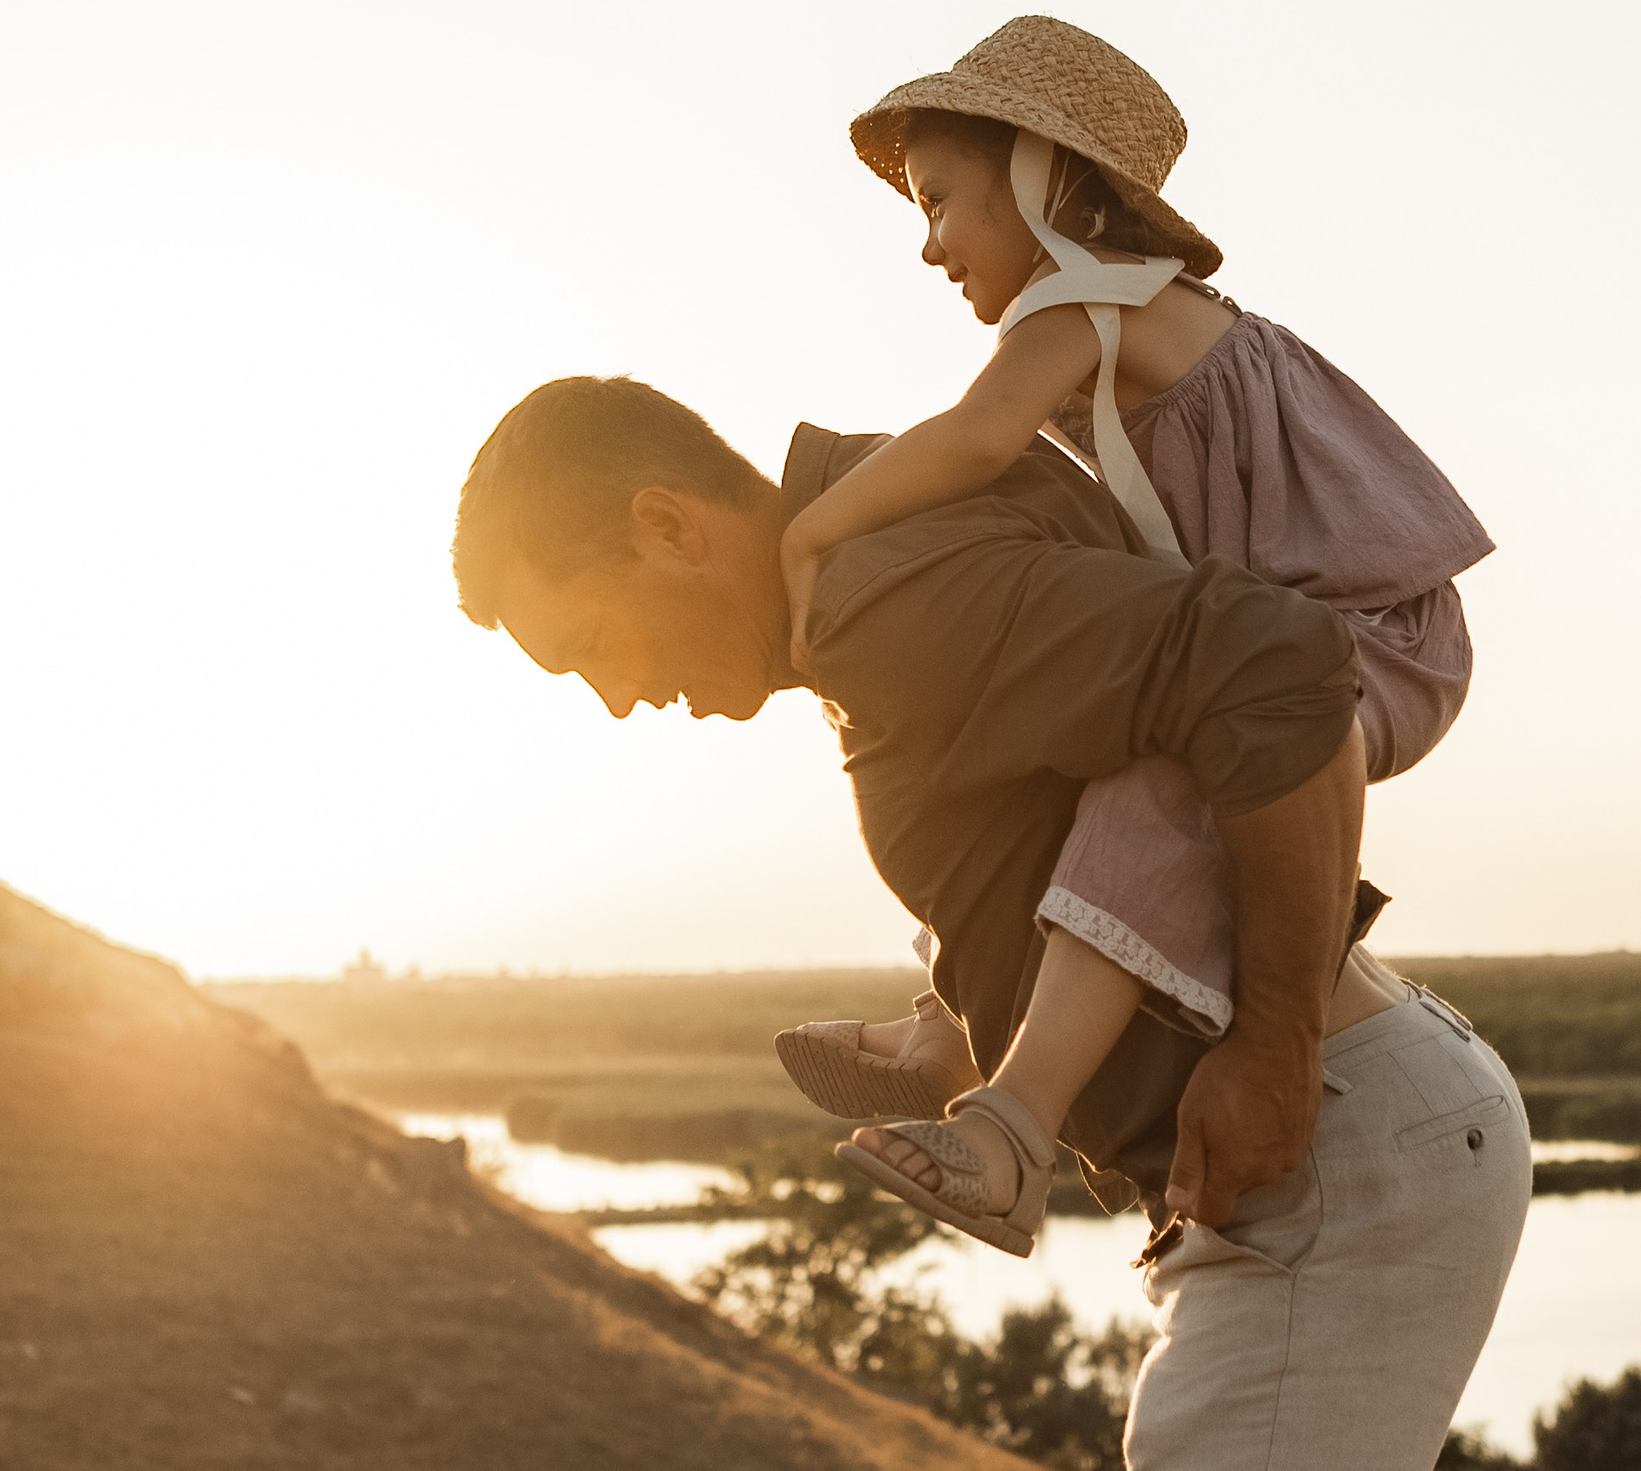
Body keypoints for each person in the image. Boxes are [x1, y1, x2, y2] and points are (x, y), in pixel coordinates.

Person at [450, 375, 1531, 1468]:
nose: (617, 699)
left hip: (1329, 1147)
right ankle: (954, 1036)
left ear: (668, 526)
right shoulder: (879, 539)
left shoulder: (883, 593)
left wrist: (1276, 1048)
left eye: (590, 641)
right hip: (1339, 1146)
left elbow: (1280, 663)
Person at [770, 16, 1497, 1251]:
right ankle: (959, 1011)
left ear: (1040, 177)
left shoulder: (1078, 307)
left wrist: (810, 531)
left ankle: (1012, 1128)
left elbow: (973, 438)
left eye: (942, 199)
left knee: (1152, 790)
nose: (930, 243)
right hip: (1296, 629)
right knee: (1070, 728)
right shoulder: (1123, 317)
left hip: (1370, 633)